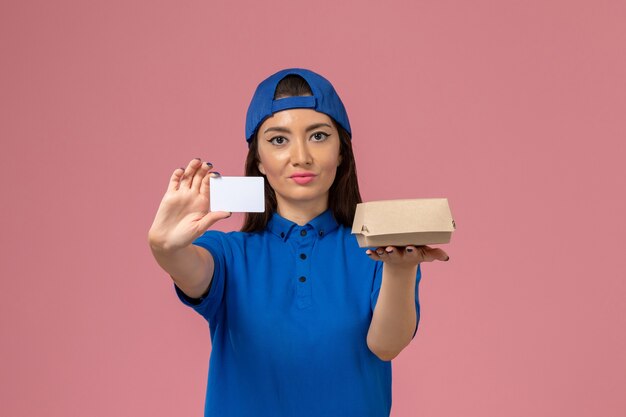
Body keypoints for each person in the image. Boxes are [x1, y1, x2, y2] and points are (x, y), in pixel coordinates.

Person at [148, 68, 449, 417]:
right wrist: (164, 248)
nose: (301, 156)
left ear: (341, 152)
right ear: (258, 160)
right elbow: (190, 269)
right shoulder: (228, 255)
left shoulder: (378, 250)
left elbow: (385, 346)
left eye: (318, 136)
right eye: (279, 140)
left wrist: (400, 268)